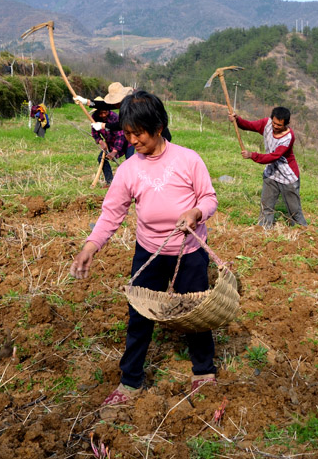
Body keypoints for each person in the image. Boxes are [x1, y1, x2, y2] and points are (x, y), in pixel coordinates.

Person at [70, 90, 218, 406]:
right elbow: (111, 213)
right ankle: (131, 381)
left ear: (159, 126)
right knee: (139, 316)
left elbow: (209, 198)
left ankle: (203, 371)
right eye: (127, 134)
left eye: (139, 133)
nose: (133, 140)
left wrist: (196, 212)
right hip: (149, 252)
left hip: (189, 251)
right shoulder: (128, 170)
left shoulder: (188, 159)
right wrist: (90, 246)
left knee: (195, 312)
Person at [229, 107, 308, 228]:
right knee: (266, 206)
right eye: (274, 123)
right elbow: (249, 125)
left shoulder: (288, 137)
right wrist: (237, 120)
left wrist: (252, 155)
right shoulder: (266, 124)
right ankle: (264, 229)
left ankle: (303, 230)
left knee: (294, 210)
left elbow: (273, 156)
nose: (275, 126)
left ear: (286, 124)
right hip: (271, 173)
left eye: (279, 125)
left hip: (288, 176)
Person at [74, 82, 171, 158]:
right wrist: (87, 101)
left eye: (116, 102)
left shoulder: (136, 104)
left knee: (158, 156)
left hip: (157, 136)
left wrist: (103, 126)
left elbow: (122, 124)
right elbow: (106, 104)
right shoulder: (125, 102)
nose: (114, 105)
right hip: (145, 140)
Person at [90, 99, 126, 187]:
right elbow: (94, 132)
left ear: (108, 110)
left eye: (104, 112)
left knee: (130, 160)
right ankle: (110, 182)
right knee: (101, 159)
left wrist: (114, 151)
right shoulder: (94, 117)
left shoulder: (114, 117)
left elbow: (120, 135)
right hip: (109, 142)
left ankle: (132, 183)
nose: (103, 115)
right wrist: (100, 141)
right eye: (100, 113)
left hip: (125, 142)